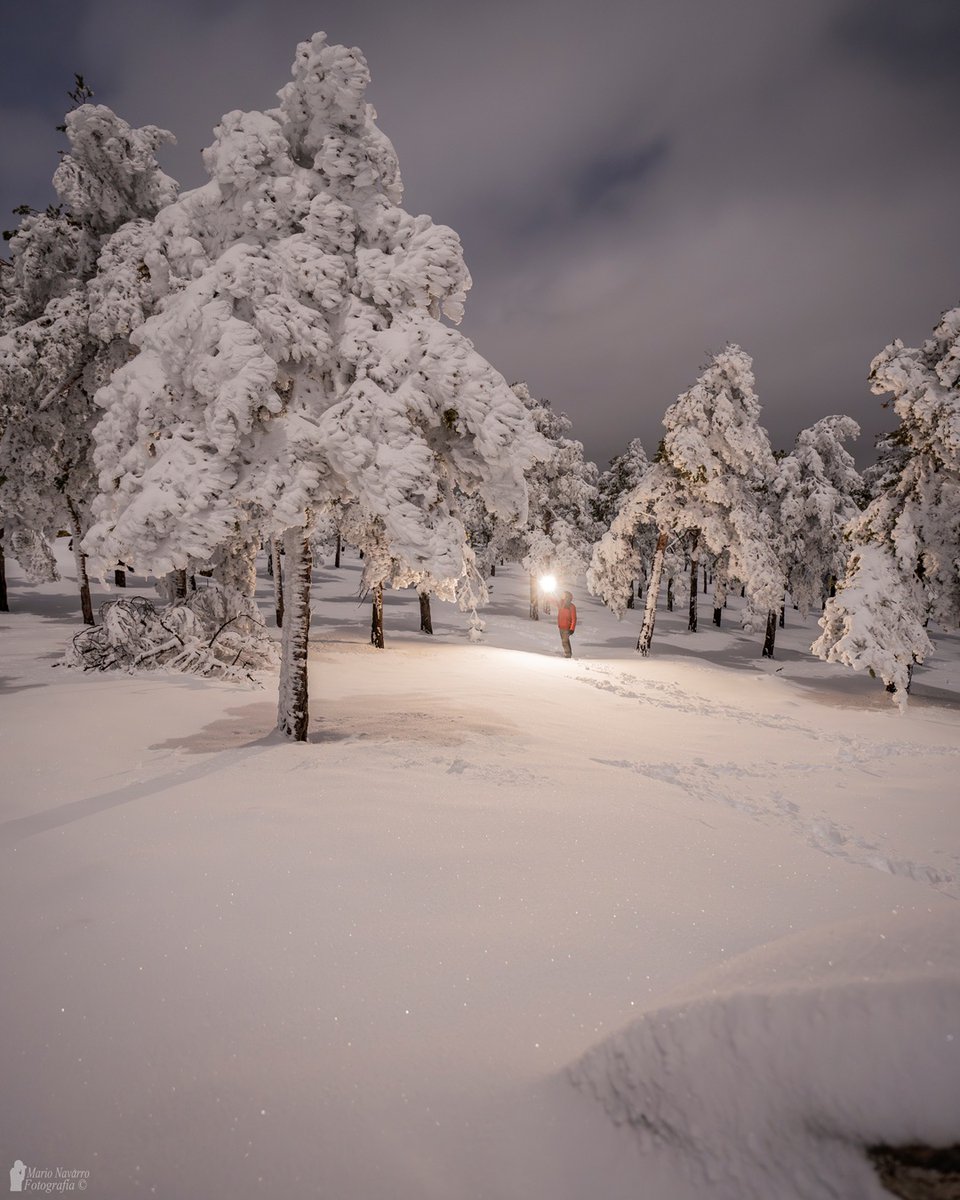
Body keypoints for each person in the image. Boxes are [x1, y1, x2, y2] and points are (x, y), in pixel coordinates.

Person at [557, 591, 577, 657]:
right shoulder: (561, 604)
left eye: (564, 595)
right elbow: (552, 600)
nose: (563, 596)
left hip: (567, 627)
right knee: (566, 641)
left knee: (564, 642)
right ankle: (569, 653)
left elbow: (574, 618)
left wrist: (572, 629)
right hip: (561, 626)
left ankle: (568, 655)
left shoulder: (571, 607)